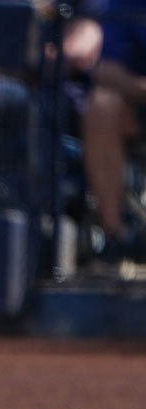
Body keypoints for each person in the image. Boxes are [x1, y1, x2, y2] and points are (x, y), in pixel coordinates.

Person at [83, 0, 146, 261]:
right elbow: (104, 70)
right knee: (102, 107)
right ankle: (115, 236)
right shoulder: (124, 5)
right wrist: (137, 91)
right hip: (136, 101)